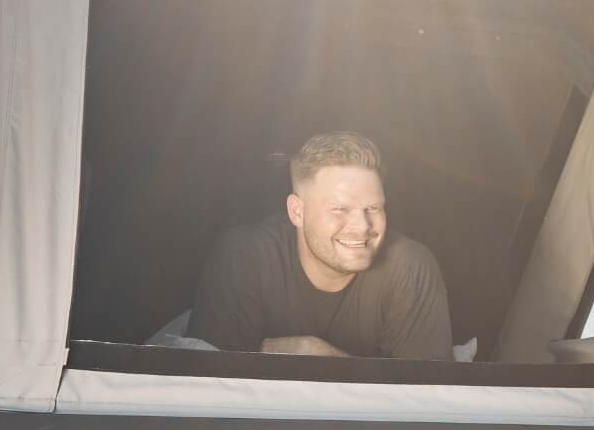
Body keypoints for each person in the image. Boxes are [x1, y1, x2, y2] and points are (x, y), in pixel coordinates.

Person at [187, 132, 454, 359]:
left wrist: (317, 355)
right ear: (297, 211)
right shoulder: (245, 257)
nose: (363, 226)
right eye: (340, 209)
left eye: (374, 208)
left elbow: (426, 393)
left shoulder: (409, 266)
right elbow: (205, 387)